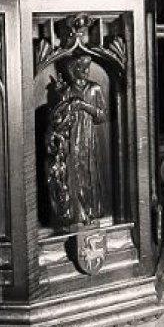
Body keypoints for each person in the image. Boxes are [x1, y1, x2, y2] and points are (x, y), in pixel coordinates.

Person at [45, 53, 108, 227]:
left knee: (90, 174)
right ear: (73, 71)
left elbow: (102, 116)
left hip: (89, 138)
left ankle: (92, 212)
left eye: (87, 68)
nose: (85, 71)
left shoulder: (94, 89)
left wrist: (83, 106)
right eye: (81, 68)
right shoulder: (68, 91)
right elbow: (59, 117)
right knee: (74, 175)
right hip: (72, 138)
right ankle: (77, 214)